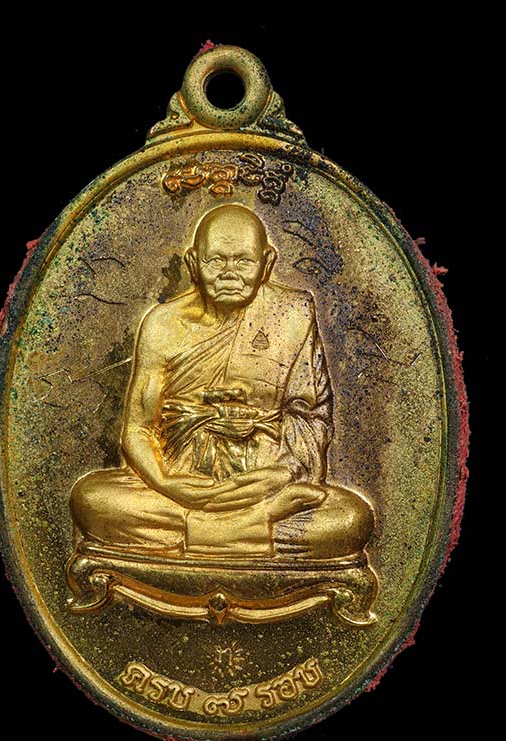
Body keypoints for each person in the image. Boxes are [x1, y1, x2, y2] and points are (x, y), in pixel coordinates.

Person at [70, 204, 373, 560]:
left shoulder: (292, 315)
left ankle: (201, 533)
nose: (230, 273)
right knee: (92, 499)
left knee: (351, 519)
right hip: (181, 483)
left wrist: (282, 473)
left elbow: (312, 417)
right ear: (193, 264)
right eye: (216, 261)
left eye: (243, 261)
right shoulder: (162, 326)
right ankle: (253, 527)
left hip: (265, 481)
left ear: (267, 263)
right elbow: (137, 429)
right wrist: (167, 483)